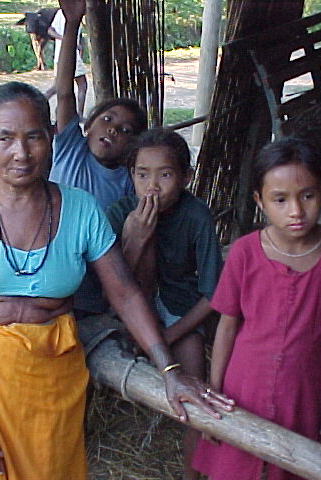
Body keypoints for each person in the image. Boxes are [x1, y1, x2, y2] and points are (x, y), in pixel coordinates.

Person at [0, 81, 233, 480]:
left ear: (51, 139)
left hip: (53, 376)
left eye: (34, 137)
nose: (21, 153)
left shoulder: (80, 209)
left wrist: (169, 370)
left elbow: (124, 294)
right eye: (5, 138)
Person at [192, 138, 321, 480]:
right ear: (259, 201)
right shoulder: (245, 252)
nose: (296, 211)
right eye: (280, 199)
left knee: (291, 467)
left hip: (301, 393)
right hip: (241, 388)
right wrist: (213, 392)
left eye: (308, 195)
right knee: (233, 466)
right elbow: (227, 325)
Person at [106, 127, 223, 480]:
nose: (152, 186)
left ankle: (191, 474)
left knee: (196, 392)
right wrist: (135, 239)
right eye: (142, 175)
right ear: (131, 176)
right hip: (129, 308)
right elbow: (113, 287)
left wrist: (172, 335)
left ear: (186, 177)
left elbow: (213, 295)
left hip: (181, 311)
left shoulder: (196, 216)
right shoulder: (120, 211)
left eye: (166, 174)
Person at [49, 0, 149, 319]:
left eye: (125, 130)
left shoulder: (128, 183)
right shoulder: (69, 147)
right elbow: (65, 92)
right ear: (88, 125)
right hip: (47, 264)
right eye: (107, 120)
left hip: (92, 283)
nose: (113, 131)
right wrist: (72, 23)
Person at [43, 8, 88, 117]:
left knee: (57, 86)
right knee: (82, 85)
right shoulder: (75, 12)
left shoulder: (60, 12)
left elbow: (50, 30)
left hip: (59, 55)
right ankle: (80, 115)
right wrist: (68, 40)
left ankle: (41, 102)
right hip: (71, 54)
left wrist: (62, 39)